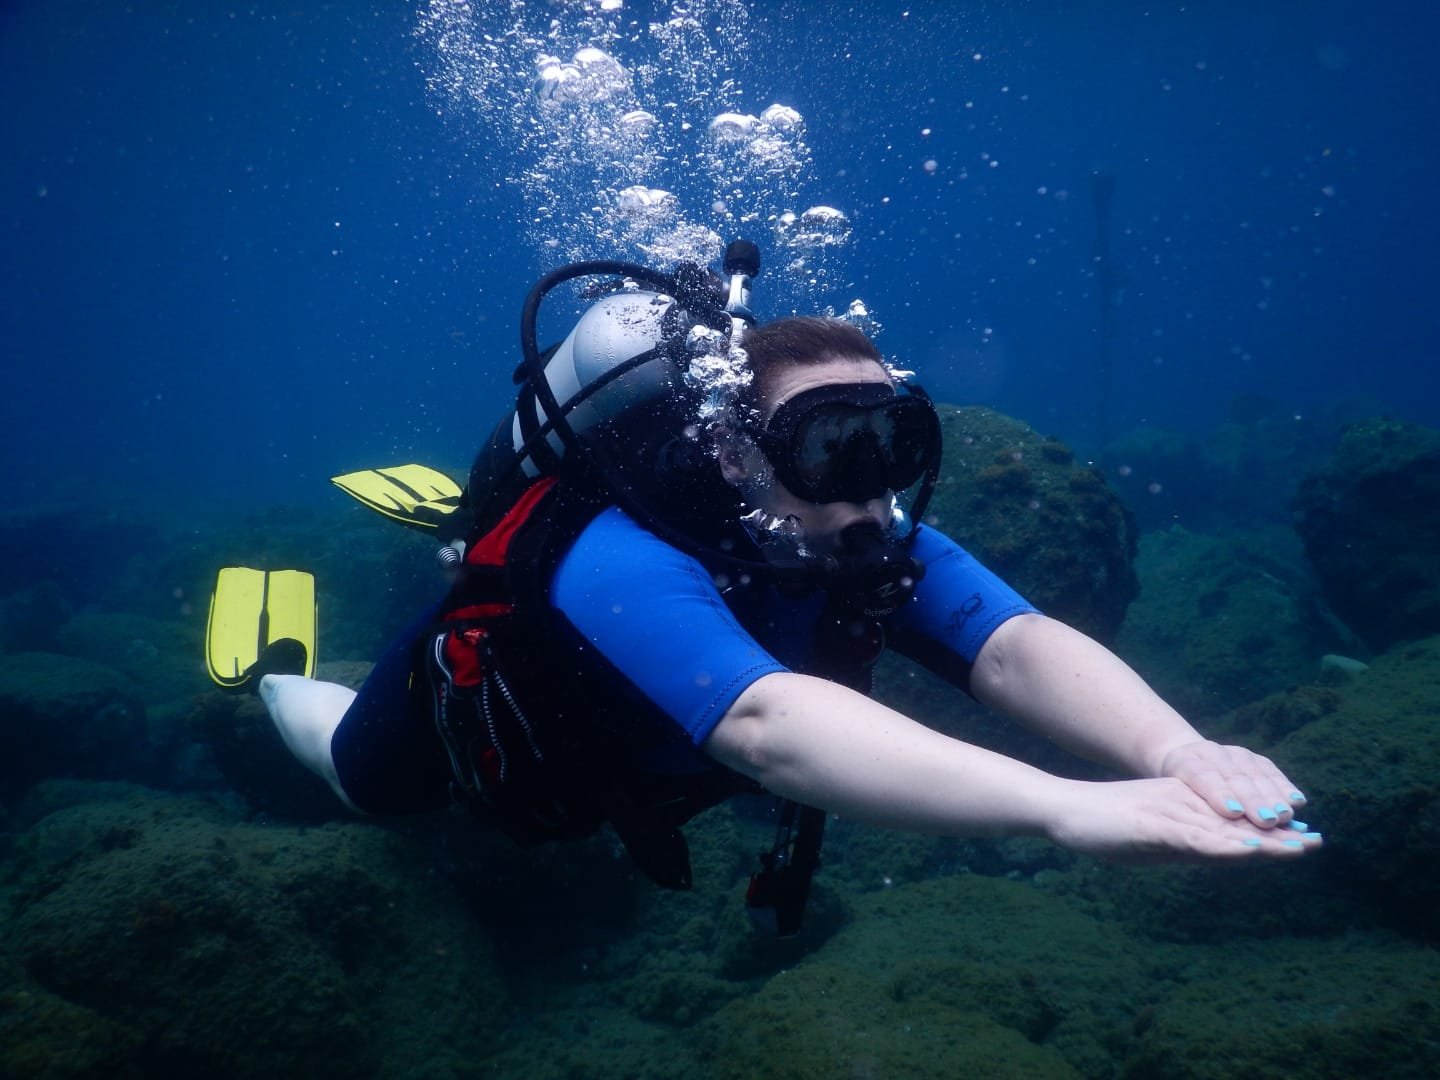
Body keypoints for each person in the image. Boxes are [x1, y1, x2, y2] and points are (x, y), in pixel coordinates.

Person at [255, 249, 1319, 930]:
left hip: (649, 761)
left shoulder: (862, 527)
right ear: (734, 454)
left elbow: (1014, 644)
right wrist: (1065, 810)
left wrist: (1180, 752)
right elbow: (764, 725)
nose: (867, 483)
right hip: (510, 734)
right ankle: (273, 668)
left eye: (889, 440)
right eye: (826, 445)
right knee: (365, 782)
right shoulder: (617, 551)